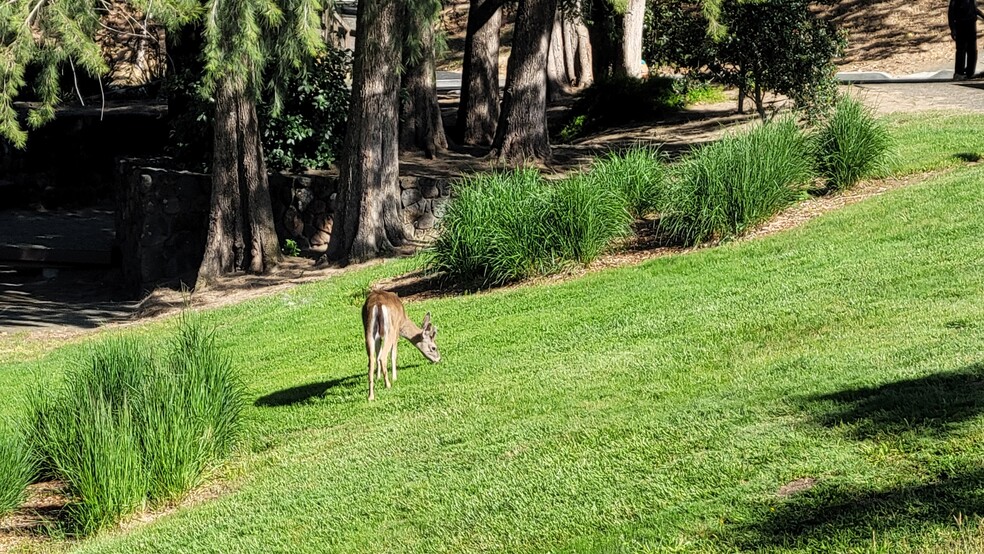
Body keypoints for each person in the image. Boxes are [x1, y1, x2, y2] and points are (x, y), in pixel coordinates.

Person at [949, 0, 984, 79]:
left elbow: (974, 9)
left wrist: (982, 15)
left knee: (972, 50)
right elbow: (951, 13)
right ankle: (959, 72)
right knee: (961, 50)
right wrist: (953, 28)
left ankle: (970, 72)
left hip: (971, 24)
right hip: (960, 24)